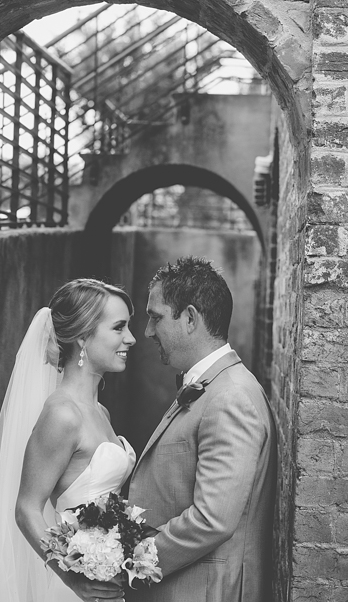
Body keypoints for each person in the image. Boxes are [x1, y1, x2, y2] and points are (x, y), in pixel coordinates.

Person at [128, 257, 277, 602]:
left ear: (191, 318)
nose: (148, 332)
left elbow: (213, 519)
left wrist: (134, 561)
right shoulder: (214, 386)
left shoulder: (230, 398)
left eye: (156, 317)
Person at [0, 278, 137, 602]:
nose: (131, 338)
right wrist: (71, 577)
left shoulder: (100, 412)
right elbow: (27, 509)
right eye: (119, 328)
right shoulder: (62, 415)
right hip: (75, 591)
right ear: (82, 337)